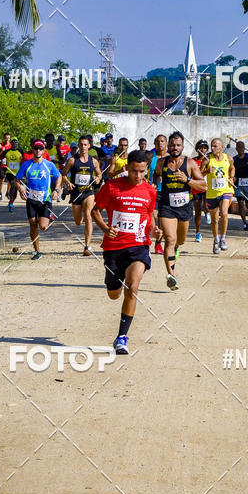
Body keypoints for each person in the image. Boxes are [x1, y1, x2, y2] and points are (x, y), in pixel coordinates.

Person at [92, 149, 159, 354]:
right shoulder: (112, 187)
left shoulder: (150, 191)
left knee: (133, 287)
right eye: (134, 171)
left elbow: (149, 215)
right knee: (114, 293)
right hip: (113, 247)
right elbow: (95, 210)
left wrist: (154, 229)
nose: (137, 176)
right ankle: (114, 284)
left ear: (146, 170)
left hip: (138, 245)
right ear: (127, 167)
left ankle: (122, 337)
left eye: (141, 172)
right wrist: (105, 228)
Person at [153, 131, 206, 290]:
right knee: (169, 239)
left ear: (183, 146)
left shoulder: (190, 163)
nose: (175, 148)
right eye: (172, 145)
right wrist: (155, 185)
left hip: (184, 207)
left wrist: (187, 180)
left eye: (178, 145)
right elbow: (155, 175)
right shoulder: (161, 163)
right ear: (168, 146)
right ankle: (171, 275)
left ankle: (176, 248)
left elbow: (203, 185)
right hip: (166, 206)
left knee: (180, 240)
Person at [15, 139, 62, 260]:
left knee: (43, 227)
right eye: (36, 148)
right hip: (31, 199)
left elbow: (59, 176)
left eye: (40, 148)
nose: (38, 150)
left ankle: (49, 217)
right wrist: (21, 190)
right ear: (33, 150)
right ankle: (37, 251)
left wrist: (56, 190)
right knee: (32, 224)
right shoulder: (26, 164)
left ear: (43, 150)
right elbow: (17, 179)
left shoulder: (49, 165)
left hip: (45, 199)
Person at [62, 134, 102, 255]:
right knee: (78, 221)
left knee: (89, 215)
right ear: (78, 146)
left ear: (89, 146)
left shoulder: (93, 161)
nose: (83, 147)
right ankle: (83, 220)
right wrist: (68, 183)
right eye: (81, 145)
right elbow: (63, 174)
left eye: (85, 145)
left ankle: (87, 246)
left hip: (88, 192)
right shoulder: (72, 160)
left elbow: (99, 174)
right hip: (76, 193)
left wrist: (97, 179)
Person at [201, 138, 234, 254]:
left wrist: (231, 177)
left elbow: (232, 168)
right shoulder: (206, 159)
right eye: (212, 146)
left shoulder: (228, 158)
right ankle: (216, 240)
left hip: (226, 190)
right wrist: (206, 172)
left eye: (215, 146)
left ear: (221, 147)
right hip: (212, 193)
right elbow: (199, 175)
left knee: (224, 212)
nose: (213, 148)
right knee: (214, 220)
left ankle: (223, 238)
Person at [148, 134, 167, 255]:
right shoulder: (150, 156)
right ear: (155, 143)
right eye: (158, 141)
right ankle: (153, 235)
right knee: (154, 214)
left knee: (162, 218)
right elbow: (144, 170)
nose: (160, 143)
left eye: (162, 141)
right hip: (153, 190)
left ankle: (158, 243)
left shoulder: (171, 157)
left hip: (166, 191)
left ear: (166, 143)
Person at [233, 141, 248, 230]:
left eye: (242, 147)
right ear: (236, 149)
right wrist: (233, 177)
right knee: (240, 204)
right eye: (239, 147)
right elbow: (231, 170)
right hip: (238, 184)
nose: (241, 149)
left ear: (244, 148)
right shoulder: (234, 159)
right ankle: (245, 223)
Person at [192, 140, 210, 242]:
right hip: (196, 187)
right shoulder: (193, 161)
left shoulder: (210, 160)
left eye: (205, 148)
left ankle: (207, 211)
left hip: (207, 187)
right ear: (197, 149)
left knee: (206, 205)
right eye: (201, 148)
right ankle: (198, 232)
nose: (203, 150)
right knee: (197, 210)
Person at [4, 138, 24, 212]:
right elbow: (2, 159)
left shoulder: (20, 151)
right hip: (9, 172)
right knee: (13, 184)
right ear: (11, 143)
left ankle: (11, 201)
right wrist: (3, 169)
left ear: (17, 143)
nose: (15, 143)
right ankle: (11, 201)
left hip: (18, 172)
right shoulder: (7, 151)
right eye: (13, 142)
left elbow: (24, 160)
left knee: (15, 189)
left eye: (16, 142)